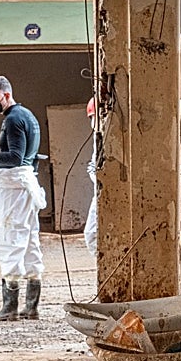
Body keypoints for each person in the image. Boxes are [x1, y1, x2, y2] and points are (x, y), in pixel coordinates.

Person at [0, 76, 44, 321]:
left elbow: (15, 156)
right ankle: (32, 305)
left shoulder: (13, 119)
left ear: (6, 94)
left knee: (10, 239)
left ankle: (10, 306)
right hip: (26, 185)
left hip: (14, 188)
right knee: (30, 241)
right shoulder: (28, 116)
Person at [83, 97, 99, 256]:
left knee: (92, 234)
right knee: (92, 234)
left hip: (103, 188)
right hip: (99, 187)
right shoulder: (98, 137)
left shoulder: (105, 135)